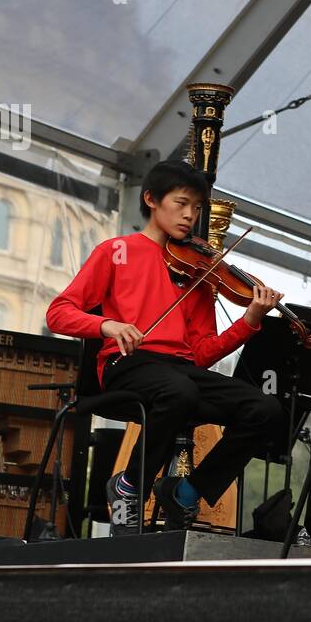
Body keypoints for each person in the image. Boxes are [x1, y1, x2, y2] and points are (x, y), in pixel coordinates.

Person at [46, 160, 285, 533]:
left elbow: (203, 353)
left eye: (197, 208)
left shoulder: (198, 271)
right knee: (180, 391)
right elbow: (58, 313)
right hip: (127, 364)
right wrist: (107, 325)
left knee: (266, 409)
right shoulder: (116, 251)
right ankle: (129, 486)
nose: (190, 215)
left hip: (179, 373)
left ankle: (186, 492)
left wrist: (250, 319)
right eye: (181, 203)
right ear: (151, 200)